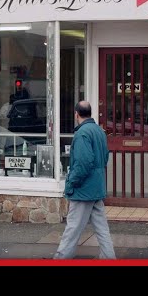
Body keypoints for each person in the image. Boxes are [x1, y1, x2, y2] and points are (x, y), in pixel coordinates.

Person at [54, 101, 116, 259]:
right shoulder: (99, 131)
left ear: (76, 114)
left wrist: (71, 183)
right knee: (102, 229)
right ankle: (109, 258)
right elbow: (105, 157)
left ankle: (61, 258)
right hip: (97, 188)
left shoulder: (82, 134)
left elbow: (83, 163)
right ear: (90, 112)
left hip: (83, 189)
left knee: (73, 228)